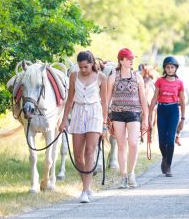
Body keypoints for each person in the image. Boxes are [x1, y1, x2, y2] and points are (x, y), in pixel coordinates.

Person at [58, 51, 108, 203]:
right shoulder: (74, 75)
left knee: (90, 152)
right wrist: (63, 120)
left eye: (86, 67)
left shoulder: (101, 78)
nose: (83, 70)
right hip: (78, 111)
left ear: (92, 63)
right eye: (80, 67)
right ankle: (86, 183)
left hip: (94, 112)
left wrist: (104, 125)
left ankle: (85, 191)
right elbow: (69, 100)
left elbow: (104, 102)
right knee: (78, 155)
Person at [107, 48, 149, 188]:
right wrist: (105, 117)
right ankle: (123, 175)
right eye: (128, 58)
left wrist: (146, 118)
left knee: (133, 143)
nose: (131, 61)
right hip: (117, 113)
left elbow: (143, 99)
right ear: (121, 60)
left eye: (132, 58)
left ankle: (131, 173)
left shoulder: (138, 77)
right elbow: (107, 99)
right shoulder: (113, 76)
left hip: (134, 112)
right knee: (121, 144)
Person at [149, 56, 185, 177]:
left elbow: (183, 100)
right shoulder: (159, 81)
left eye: (172, 67)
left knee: (170, 140)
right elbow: (154, 98)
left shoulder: (179, 82)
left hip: (173, 110)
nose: (170, 69)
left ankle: (168, 166)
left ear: (176, 68)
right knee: (161, 141)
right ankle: (165, 157)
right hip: (162, 109)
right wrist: (149, 115)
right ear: (164, 68)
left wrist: (183, 118)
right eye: (168, 67)